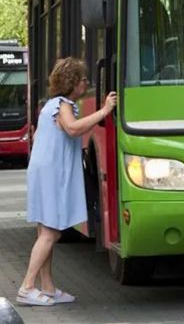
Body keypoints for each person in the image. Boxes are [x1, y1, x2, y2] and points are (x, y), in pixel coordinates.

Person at [17, 58, 116, 306]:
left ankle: (47, 287)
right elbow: (72, 129)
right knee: (50, 233)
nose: (86, 83)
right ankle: (27, 286)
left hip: (42, 171)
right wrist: (104, 111)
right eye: (83, 79)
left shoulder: (50, 105)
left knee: (45, 231)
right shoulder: (63, 105)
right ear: (73, 82)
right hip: (51, 173)